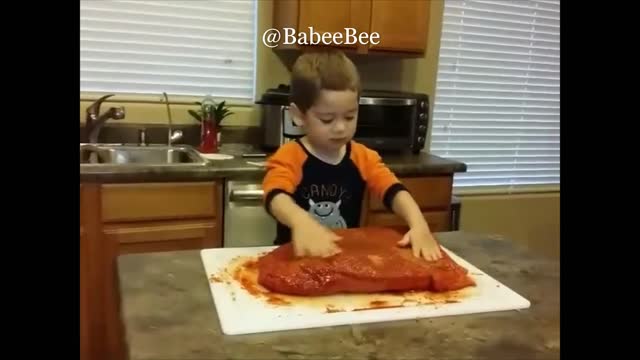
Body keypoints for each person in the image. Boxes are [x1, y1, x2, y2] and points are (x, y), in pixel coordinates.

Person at [262, 49, 443, 262]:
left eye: (350, 116)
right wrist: (301, 222)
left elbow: (394, 190)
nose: (340, 128)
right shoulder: (290, 155)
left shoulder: (361, 156)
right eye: (327, 119)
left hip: (343, 257)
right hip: (294, 258)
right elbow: (274, 196)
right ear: (298, 116)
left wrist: (419, 225)